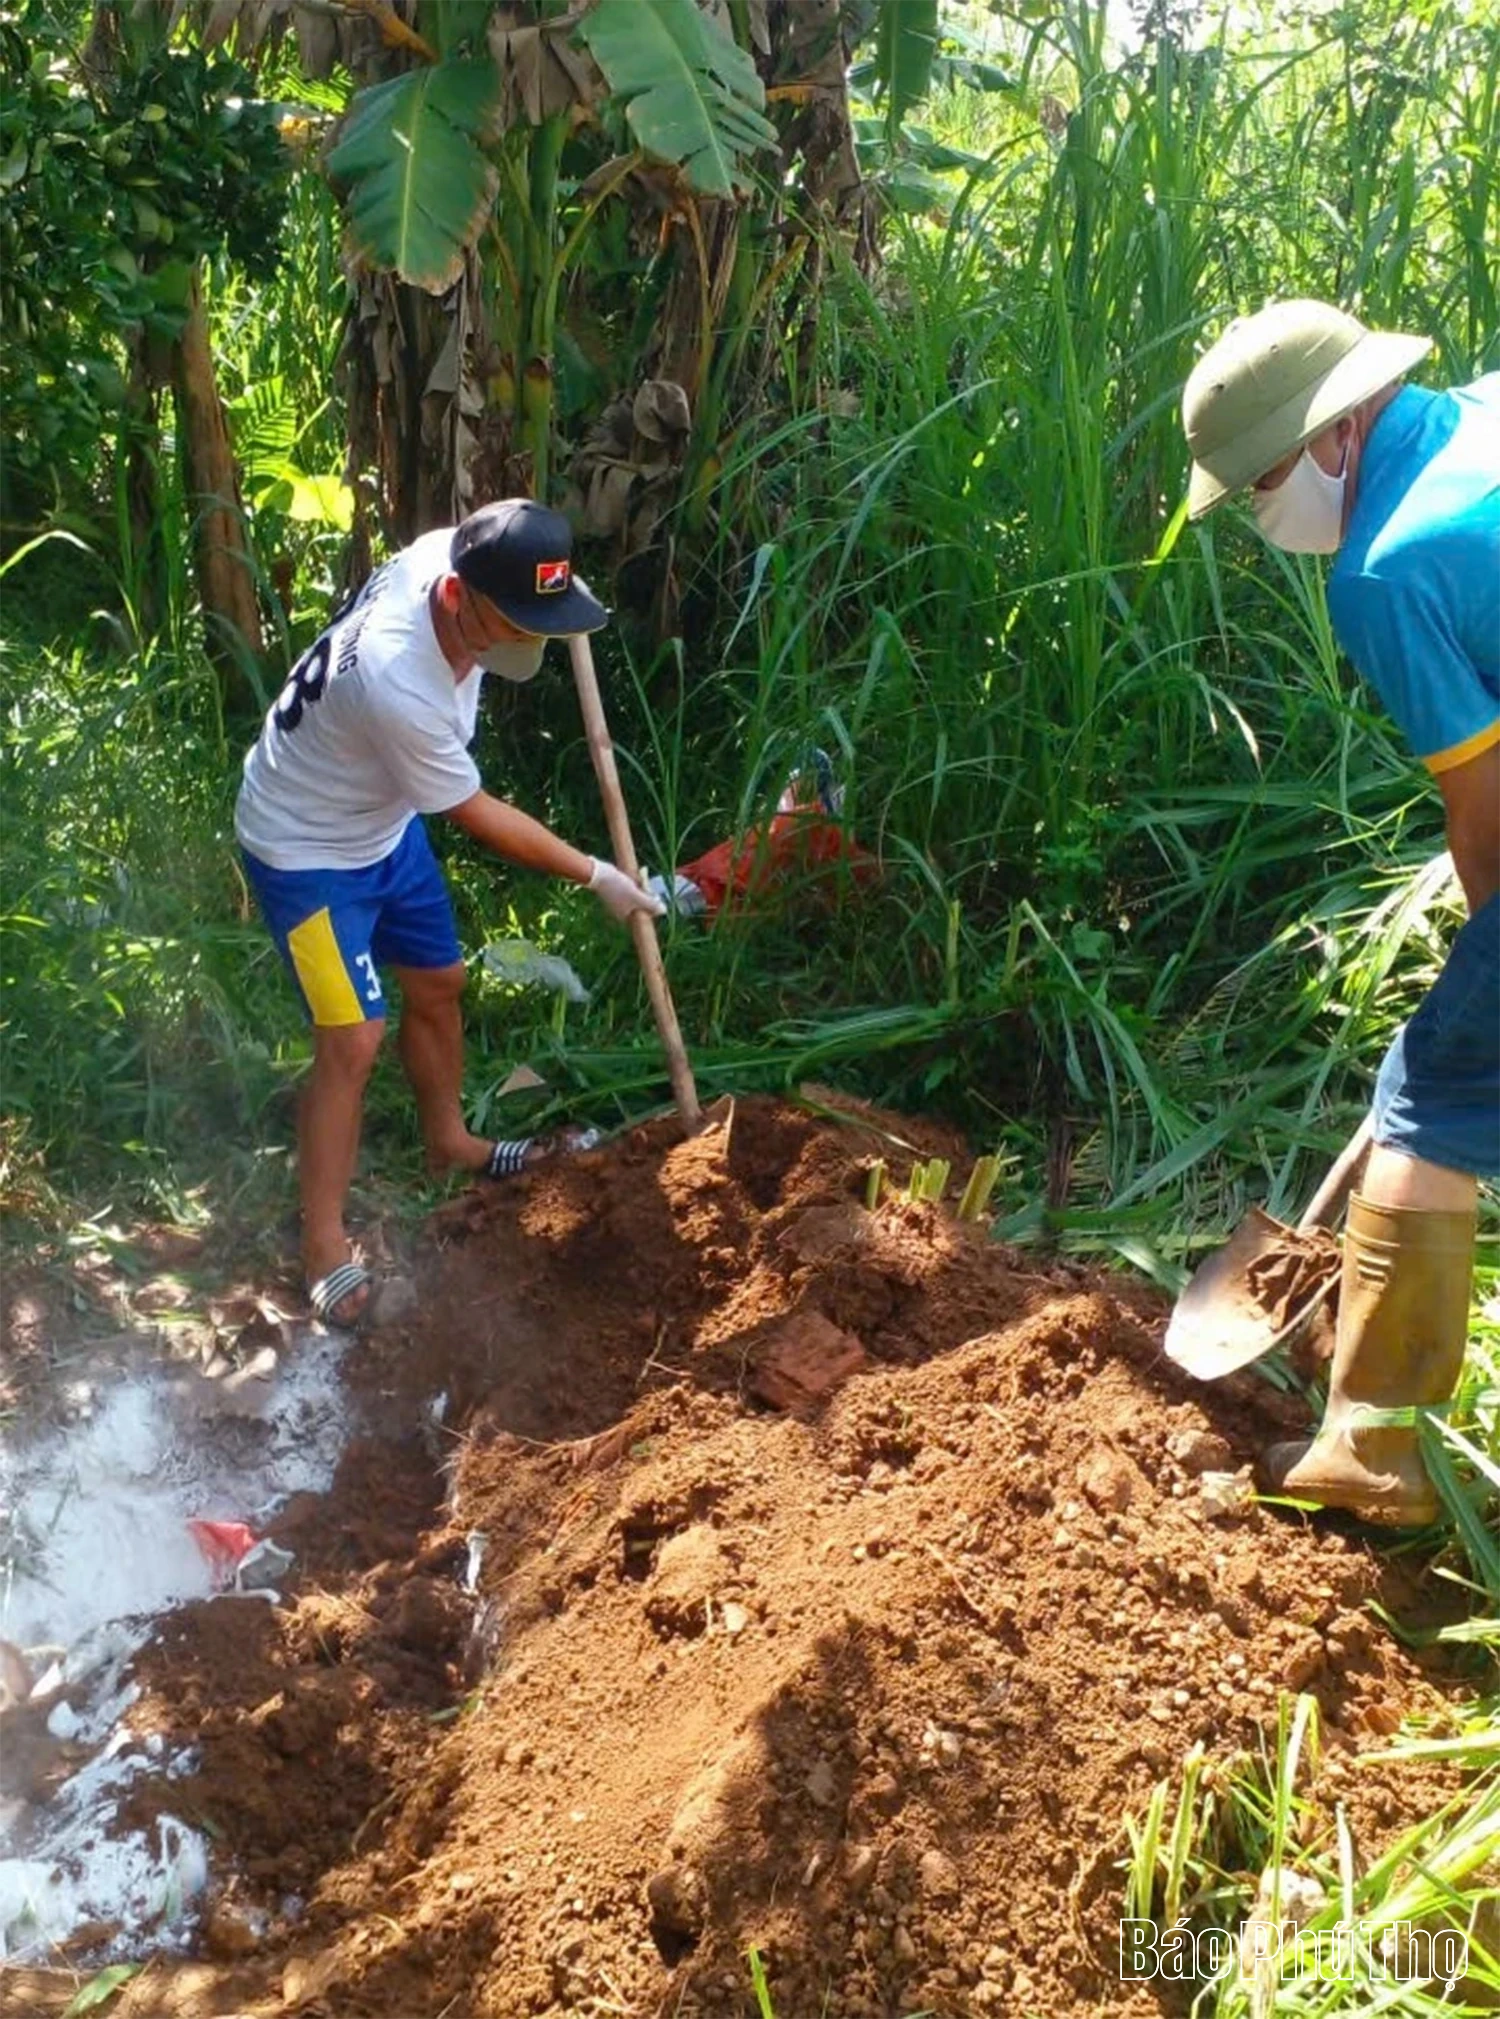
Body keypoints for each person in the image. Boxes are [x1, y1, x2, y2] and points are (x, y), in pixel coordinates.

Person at [1180, 298, 1499, 1526]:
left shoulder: (1384, 566)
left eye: (1264, 479)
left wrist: (1481, 963)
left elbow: (1486, 813)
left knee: (1430, 1097)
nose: (1265, 513)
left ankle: (1371, 1444)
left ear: (1336, 433)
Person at [235, 499, 664, 1329]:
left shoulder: (456, 559)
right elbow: (476, 814)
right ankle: (321, 1243)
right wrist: (597, 874)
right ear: (460, 596)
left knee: (439, 980)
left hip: (382, 822)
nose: (528, 642)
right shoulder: (398, 679)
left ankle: (451, 1142)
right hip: (304, 846)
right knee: (352, 1037)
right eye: (516, 624)